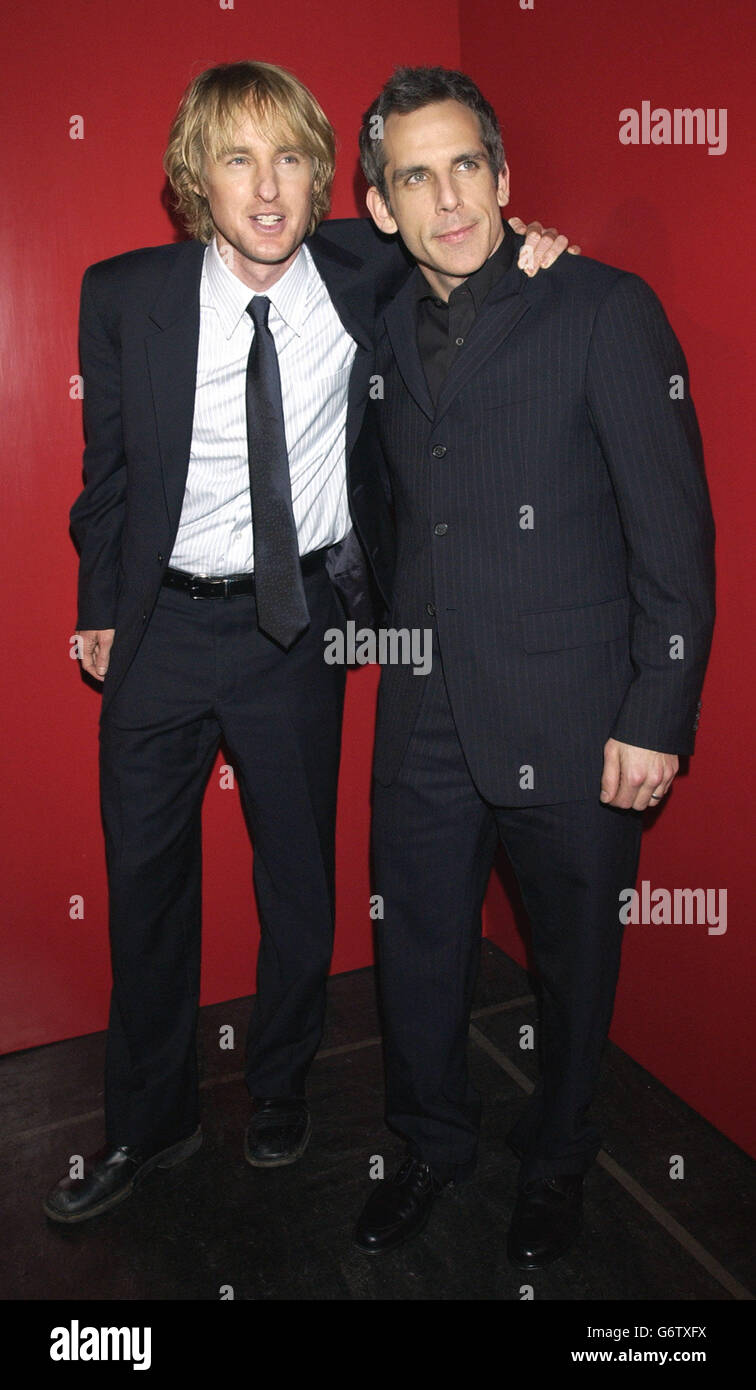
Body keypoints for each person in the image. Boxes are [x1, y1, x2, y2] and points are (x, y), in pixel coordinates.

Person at [44, 60, 569, 1223]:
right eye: (238, 159)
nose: (269, 187)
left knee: (298, 880)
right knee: (145, 885)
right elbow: (108, 479)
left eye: (289, 157)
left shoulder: (362, 264)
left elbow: (462, 221)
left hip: (298, 632)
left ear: (325, 176)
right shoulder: (122, 294)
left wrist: (538, 239)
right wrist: (100, 598)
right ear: (198, 178)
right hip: (161, 629)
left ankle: (280, 1087)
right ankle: (151, 1121)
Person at [352, 66, 715, 1266]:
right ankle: (430, 1144)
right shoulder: (378, 325)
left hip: (573, 716)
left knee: (573, 963)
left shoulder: (607, 309)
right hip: (421, 718)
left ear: (507, 179)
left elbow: (674, 534)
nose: (449, 198)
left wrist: (656, 710)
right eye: (417, 175)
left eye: (469, 166)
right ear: (379, 204)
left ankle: (558, 1158)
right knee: (415, 954)